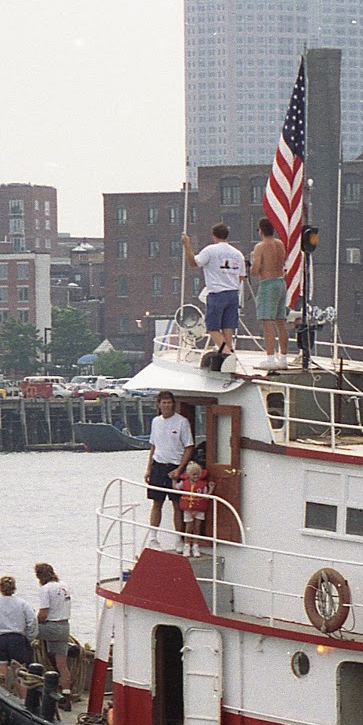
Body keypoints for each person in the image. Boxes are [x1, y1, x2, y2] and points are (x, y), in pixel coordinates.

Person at [182, 223, 246, 355]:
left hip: (217, 294)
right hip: (233, 294)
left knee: (212, 327)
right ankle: (228, 354)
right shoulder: (238, 254)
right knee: (228, 327)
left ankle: (227, 352)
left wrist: (187, 245)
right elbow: (241, 276)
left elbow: (193, 263)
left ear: (214, 236)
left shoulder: (210, 250)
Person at [144, 390, 195, 551]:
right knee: (156, 503)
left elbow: (189, 446)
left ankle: (179, 539)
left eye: (169, 402)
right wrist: (148, 468)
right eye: (163, 402)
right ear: (159, 404)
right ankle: (153, 538)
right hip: (158, 466)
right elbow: (153, 446)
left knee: (177, 504)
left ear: (173, 404)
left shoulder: (182, 422)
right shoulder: (156, 421)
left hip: (174, 467)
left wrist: (180, 469)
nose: (166, 405)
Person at [0, 575, 37, 689]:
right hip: (16, 639)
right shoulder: (22, 603)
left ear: (0, 588)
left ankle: (1, 693)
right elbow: (32, 621)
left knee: (0, 674)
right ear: (14, 588)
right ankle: (23, 698)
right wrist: (29, 637)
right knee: (20, 673)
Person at [33, 562, 73, 707]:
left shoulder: (45, 589)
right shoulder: (64, 586)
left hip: (52, 627)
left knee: (25, 631)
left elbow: (43, 614)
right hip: (64, 626)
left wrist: (32, 623)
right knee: (62, 665)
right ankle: (66, 696)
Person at [250, 218, 288, 367]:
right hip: (280, 282)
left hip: (268, 284)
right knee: (281, 321)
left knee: (267, 322)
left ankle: (270, 358)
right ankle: (283, 358)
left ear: (261, 231)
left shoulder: (260, 246)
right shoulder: (280, 244)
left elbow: (255, 269)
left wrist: (252, 266)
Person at [176, 461, 212, 558]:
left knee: (197, 527)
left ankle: (195, 546)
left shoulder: (202, 485)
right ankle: (187, 545)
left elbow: (206, 496)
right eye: (194, 474)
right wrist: (174, 480)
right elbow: (176, 487)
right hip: (188, 509)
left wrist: (211, 489)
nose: (196, 476)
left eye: (198, 474)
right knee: (188, 527)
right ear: (188, 474)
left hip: (199, 509)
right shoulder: (184, 483)